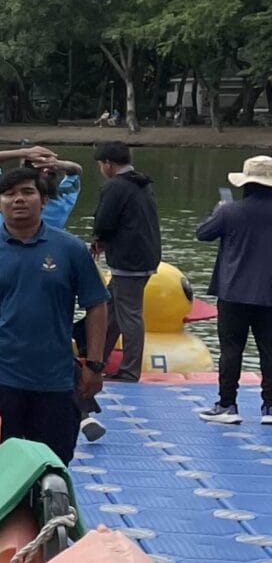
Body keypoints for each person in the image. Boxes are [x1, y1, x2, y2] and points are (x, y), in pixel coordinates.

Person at [0, 163, 108, 463]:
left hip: (54, 381)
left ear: (43, 200)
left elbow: (97, 305)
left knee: (52, 465)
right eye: (8, 194)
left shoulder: (70, 250)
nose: (18, 199)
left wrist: (95, 365)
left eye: (27, 192)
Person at [195, 153, 272, 425]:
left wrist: (218, 210)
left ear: (245, 183)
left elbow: (202, 233)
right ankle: (270, 407)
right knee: (269, 351)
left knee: (230, 350)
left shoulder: (229, 211)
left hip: (234, 291)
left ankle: (227, 404)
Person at [89, 141, 161, 383]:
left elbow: (104, 221)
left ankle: (130, 370)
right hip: (145, 254)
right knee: (111, 308)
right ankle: (97, 358)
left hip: (128, 260)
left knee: (129, 314)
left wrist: (98, 240)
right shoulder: (141, 183)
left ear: (108, 164)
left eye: (101, 164)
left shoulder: (116, 187)